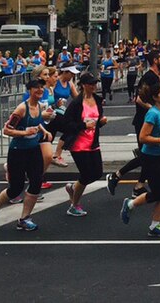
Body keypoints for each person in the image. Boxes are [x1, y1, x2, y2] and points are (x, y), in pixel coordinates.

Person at [0, 79, 51, 231]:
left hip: (33, 150)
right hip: (18, 152)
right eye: (36, 88)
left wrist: (43, 130)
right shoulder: (21, 109)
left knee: (36, 183)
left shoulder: (40, 106)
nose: (40, 90)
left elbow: (37, 121)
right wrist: (24, 132)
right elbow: (7, 130)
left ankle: (24, 218)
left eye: (42, 87)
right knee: (16, 188)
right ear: (29, 90)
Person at [119, 82, 160, 237]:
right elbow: (143, 137)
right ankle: (130, 204)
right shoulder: (152, 113)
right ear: (155, 97)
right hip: (151, 158)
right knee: (159, 193)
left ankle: (155, 226)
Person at [107, 50, 160, 197]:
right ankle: (117, 175)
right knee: (146, 156)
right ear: (156, 61)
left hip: (150, 122)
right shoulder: (149, 77)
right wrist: (155, 110)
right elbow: (139, 99)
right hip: (143, 121)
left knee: (148, 156)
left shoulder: (156, 76)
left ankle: (138, 186)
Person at [61, 72, 108, 217]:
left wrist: (100, 123)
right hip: (79, 144)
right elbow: (67, 124)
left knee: (97, 173)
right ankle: (74, 205)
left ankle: (73, 187)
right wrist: (83, 126)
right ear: (83, 85)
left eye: (95, 83)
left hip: (93, 142)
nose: (94, 86)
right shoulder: (76, 103)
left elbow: (96, 122)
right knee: (86, 174)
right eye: (91, 84)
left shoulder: (98, 100)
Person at [51, 64, 80, 168]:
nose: (72, 76)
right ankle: (56, 156)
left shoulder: (70, 83)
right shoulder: (55, 81)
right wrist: (54, 105)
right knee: (71, 128)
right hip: (52, 113)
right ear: (65, 72)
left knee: (46, 140)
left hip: (62, 112)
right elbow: (48, 96)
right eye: (71, 73)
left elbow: (77, 98)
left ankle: (56, 155)